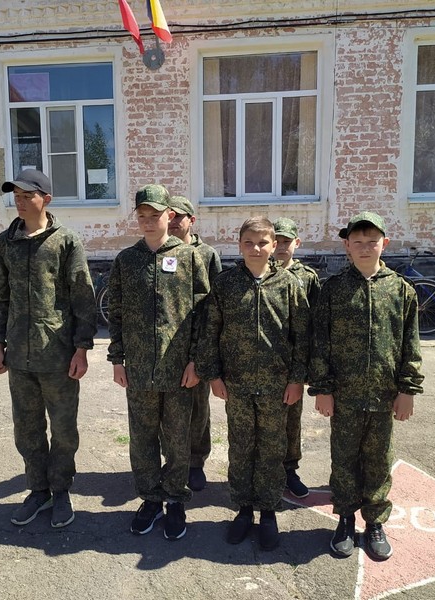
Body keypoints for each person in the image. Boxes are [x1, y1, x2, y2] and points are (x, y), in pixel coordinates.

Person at [308, 211, 424, 561]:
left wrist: (407, 390)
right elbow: (320, 343)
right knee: (343, 459)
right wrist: (323, 388)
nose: (364, 247)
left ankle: (374, 521)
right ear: (347, 245)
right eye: (357, 241)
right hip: (344, 395)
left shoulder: (400, 290)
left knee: (378, 460)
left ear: (384, 243)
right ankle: (345, 518)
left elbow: (410, 344)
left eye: (371, 241)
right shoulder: (333, 290)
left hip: (383, 394)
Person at [0, 169, 97, 529]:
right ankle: (39, 491)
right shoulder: (5, 243)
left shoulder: (65, 241)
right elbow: (0, 297)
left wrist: (82, 348)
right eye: (16, 196)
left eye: (27, 195)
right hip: (19, 356)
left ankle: (61, 490)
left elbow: (83, 296)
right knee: (27, 430)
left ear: (46, 199)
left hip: (58, 355)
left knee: (64, 430)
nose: (19, 202)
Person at [197, 216, 310, 551]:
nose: (256, 249)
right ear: (239, 245)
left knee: (272, 450)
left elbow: (302, 336)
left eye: (263, 243)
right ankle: (244, 510)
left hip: (277, 386)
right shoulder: (226, 284)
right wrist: (213, 375)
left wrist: (297, 380)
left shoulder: (289, 284)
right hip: (238, 385)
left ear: (274, 246)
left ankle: (269, 512)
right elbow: (210, 332)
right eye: (249, 242)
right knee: (241, 448)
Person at [107, 184, 210, 541]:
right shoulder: (126, 260)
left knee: (178, 438)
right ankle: (150, 499)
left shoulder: (189, 257)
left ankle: (176, 500)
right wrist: (117, 359)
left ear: (170, 215)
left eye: (156, 215)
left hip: (178, 369)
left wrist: (196, 360)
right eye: (143, 216)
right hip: (138, 369)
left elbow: (203, 314)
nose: (149, 222)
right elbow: (116, 312)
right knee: (142, 438)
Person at [167, 195, 222, 492]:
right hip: (167, 346)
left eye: (179, 216)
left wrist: (207, 351)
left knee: (198, 408)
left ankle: (196, 461)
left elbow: (215, 304)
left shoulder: (207, 254)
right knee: (168, 409)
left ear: (192, 220)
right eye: (170, 215)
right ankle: (172, 460)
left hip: (198, 344)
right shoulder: (160, 251)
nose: (173, 221)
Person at [272, 217, 320, 503]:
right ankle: (263, 471)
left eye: (287, 241)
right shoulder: (260, 272)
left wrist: (307, 370)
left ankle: (289, 470)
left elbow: (314, 325)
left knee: (291, 421)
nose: (281, 246)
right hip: (263, 363)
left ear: (297, 243)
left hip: (293, 364)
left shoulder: (307, 277)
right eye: (276, 241)